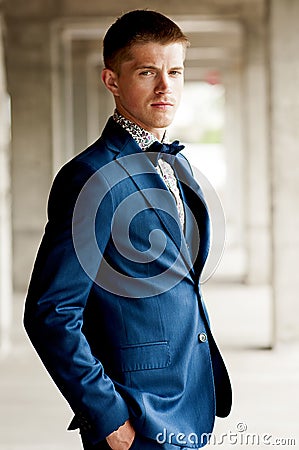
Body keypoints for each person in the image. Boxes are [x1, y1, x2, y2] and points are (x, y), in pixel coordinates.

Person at [24, 9, 232, 450]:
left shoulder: (179, 165)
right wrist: (109, 416)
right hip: (135, 415)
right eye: (147, 72)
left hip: (187, 398)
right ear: (112, 81)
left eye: (174, 71)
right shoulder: (92, 177)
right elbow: (51, 313)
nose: (166, 86)